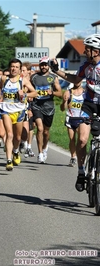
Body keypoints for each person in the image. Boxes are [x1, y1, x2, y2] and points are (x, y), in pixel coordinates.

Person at [50, 34, 100, 191]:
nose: (85, 51)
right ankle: (81, 172)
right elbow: (76, 80)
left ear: (97, 51)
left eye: (88, 49)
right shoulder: (86, 66)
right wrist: (57, 71)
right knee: (83, 140)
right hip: (88, 105)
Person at [0, 58, 37, 171]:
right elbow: (1, 91)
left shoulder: (23, 80)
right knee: (9, 135)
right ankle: (9, 160)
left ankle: (15, 151)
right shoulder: (4, 79)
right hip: (6, 110)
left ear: (20, 69)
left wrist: (24, 93)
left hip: (19, 111)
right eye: (12, 66)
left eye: (16, 67)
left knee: (18, 137)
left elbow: (35, 93)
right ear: (9, 67)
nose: (14, 69)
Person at [31, 56, 62, 164]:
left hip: (49, 107)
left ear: (48, 66)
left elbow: (60, 93)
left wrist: (52, 93)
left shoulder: (53, 78)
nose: (43, 67)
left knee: (46, 131)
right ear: (39, 65)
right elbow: (28, 89)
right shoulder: (34, 77)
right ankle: (39, 153)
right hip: (37, 106)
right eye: (42, 65)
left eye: (45, 65)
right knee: (39, 129)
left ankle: (44, 148)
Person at [60, 81, 87, 167]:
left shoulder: (85, 93)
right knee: (72, 139)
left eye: (78, 80)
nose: (77, 82)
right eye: (75, 80)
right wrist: (64, 102)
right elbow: (62, 109)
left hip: (81, 119)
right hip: (70, 118)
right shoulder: (68, 92)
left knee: (81, 140)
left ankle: (82, 158)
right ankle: (73, 157)